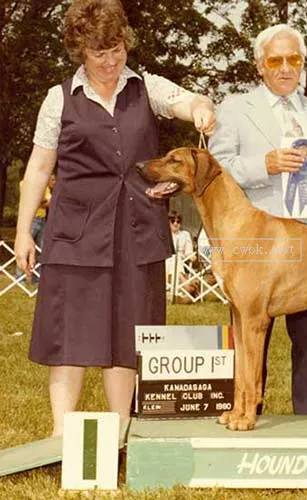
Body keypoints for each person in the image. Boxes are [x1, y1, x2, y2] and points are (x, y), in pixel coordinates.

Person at [14, 0, 215, 437]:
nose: (110, 61)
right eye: (99, 53)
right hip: (74, 234)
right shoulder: (59, 98)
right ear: (79, 51)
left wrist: (200, 108)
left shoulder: (147, 87)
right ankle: (60, 436)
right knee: (68, 337)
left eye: (117, 49)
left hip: (138, 233)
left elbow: (185, 101)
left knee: (130, 337)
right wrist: (23, 232)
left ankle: (122, 433)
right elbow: (38, 169)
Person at [209, 24, 307, 414]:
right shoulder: (234, 110)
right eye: (275, 60)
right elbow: (216, 172)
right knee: (251, 336)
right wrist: (263, 165)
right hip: (253, 243)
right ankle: (249, 409)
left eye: (293, 60)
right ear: (260, 66)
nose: (285, 68)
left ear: (301, 64)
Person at [166, 211, 198, 300]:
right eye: (173, 221)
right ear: (168, 222)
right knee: (172, 259)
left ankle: (172, 292)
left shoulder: (185, 234)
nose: (175, 223)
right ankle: (187, 286)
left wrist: (192, 256)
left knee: (175, 259)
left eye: (178, 221)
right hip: (166, 260)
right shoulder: (165, 234)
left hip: (181, 261)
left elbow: (189, 252)